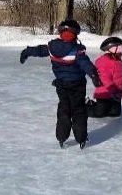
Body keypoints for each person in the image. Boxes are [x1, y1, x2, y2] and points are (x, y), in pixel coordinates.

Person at [19, 19, 102, 149]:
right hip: (77, 85)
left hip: (61, 85)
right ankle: (81, 137)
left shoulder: (52, 48)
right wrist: (94, 75)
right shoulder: (77, 50)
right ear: (75, 34)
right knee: (78, 110)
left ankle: (62, 136)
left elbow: (40, 50)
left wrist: (27, 52)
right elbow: (85, 64)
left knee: (64, 109)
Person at [87, 36, 122, 118]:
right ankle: (85, 106)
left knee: (115, 113)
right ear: (111, 50)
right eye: (119, 49)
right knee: (100, 113)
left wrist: (118, 92)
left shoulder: (117, 60)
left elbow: (120, 77)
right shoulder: (104, 62)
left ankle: (108, 106)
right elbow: (105, 78)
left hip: (116, 93)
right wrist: (112, 91)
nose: (121, 52)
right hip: (104, 92)